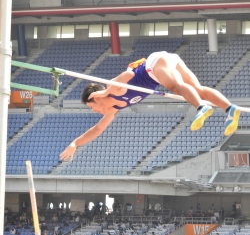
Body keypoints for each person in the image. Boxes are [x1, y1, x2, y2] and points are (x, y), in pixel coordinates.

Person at [60, 52, 241, 161]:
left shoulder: (113, 88)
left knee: (176, 87)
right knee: (196, 90)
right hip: (165, 64)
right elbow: (97, 129)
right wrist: (75, 143)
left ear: (96, 99)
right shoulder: (114, 109)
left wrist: (106, 92)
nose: (96, 112)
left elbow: (126, 74)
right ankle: (229, 108)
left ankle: (201, 107)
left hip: (154, 65)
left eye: (93, 108)